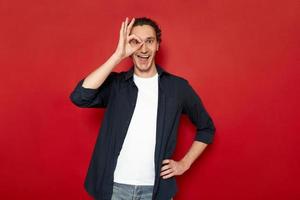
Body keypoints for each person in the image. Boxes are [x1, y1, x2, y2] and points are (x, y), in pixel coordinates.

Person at [70, 17, 216, 200]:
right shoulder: (117, 85)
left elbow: (206, 128)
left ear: (157, 45)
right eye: (135, 42)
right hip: (114, 188)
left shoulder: (177, 88)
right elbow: (80, 97)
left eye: (149, 41)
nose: (143, 49)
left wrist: (185, 163)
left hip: (157, 191)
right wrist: (117, 56)